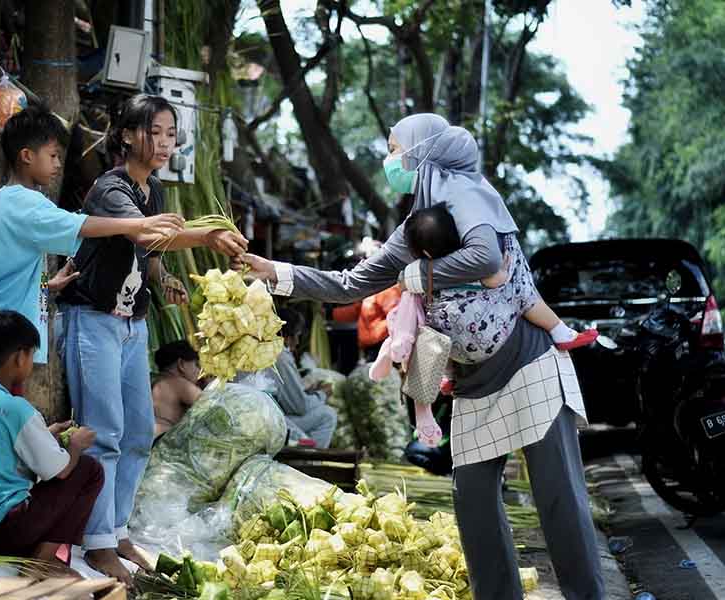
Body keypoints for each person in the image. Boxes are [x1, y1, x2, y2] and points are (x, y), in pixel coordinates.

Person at [238, 114, 604, 599]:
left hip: (528, 368)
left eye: (394, 148)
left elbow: (488, 259)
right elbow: (352, 282)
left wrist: (422, 278)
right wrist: (276, 273)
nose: (390, 160)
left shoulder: (468, 193)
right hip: (475, 384)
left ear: (421, 150)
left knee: (559, 502)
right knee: (473, 505)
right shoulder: (414, 227)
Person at [57, 94, 248, 582]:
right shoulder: (110, 187)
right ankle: (96, 541)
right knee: (104, 432)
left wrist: (162, 277)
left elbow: (151, 251)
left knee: (139, 434)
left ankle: (116, 530)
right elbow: (145, 236)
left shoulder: (155, 191)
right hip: (95, 320)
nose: (164, 143)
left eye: (169, 134)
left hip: (131, 324)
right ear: (125, 136)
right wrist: (205, 237)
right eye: (153, 132)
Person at [0, 105, 184, 396]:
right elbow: (79, 224)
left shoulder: (10, 200)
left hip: (4, 333)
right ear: (27, 156)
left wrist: (47, 287)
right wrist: (136, 225)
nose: (58, 164)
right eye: (52, 156)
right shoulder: (21, 202)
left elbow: (6, 269)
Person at [0, 311, 102, 575]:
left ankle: (38, 557)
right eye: (31, 355)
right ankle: (41, 561)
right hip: (0, 531)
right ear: (20, 357)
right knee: (88, 470)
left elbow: (1, 444)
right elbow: (60, 470)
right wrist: (74, 445)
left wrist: (46, 433)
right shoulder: (17, 409)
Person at [404, 204, 597, 365]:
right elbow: (495, 280)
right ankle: (561, 332)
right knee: (519, 291)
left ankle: (449, 376)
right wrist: (504, 274)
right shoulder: (472, 260)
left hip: (452, 351)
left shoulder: (425, 272)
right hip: (487, 339)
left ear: (426, 253)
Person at [258, 307, 337, 449]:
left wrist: (307, 392)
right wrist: (322, 394)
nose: (298, 342)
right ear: (287, 337)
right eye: (297, 335)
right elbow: (298, 407)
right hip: (267, 422)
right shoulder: (280, 356)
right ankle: (309, 464)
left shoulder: (262, 348)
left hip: (264, 416)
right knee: (328, 415)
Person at [152, 340, 203, 438]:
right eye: (196, 365)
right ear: (181, 364)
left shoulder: (156, 383)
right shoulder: (177, 383)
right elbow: (212, 405)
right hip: (164, 442)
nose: (199, 371)